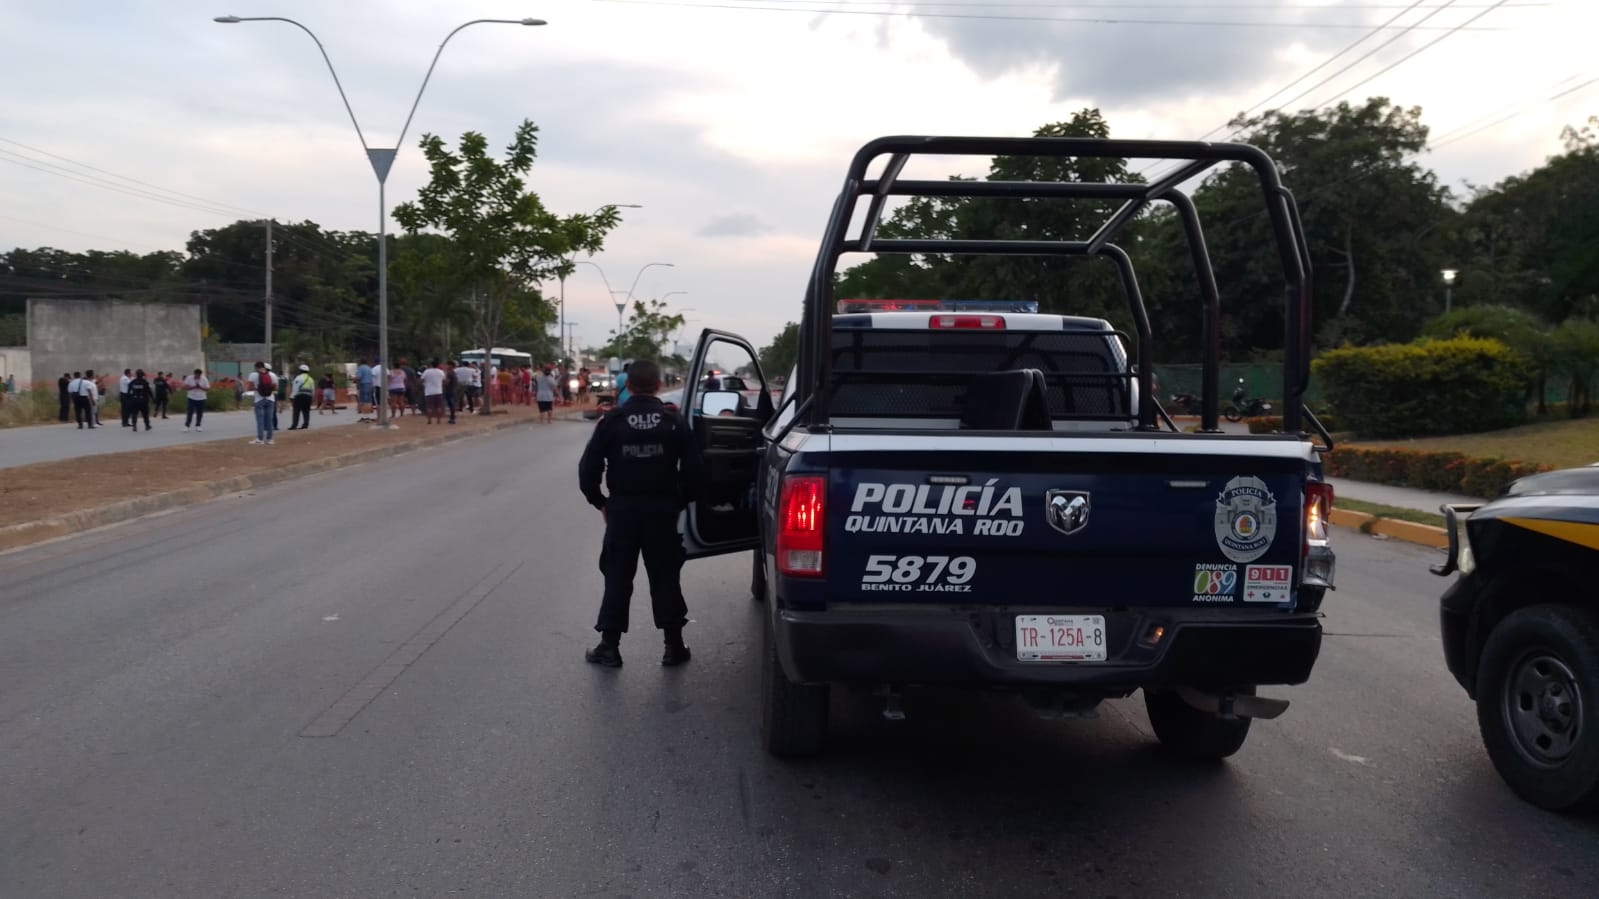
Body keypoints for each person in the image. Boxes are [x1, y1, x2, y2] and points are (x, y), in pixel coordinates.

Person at [578, 359, 703, 668]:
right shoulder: (674, 421)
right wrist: (678, 501)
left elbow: (588, 470)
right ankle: (674, 646)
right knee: (665, 575)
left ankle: (609, 646)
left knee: (617, 575)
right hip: (662, 510)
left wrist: (601, 503)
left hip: (623, 510)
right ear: (659, 385)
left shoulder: (612, 421)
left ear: (628, 386)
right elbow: (696, 472)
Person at [248, 361, 276, 445]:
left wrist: (258, 388)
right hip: (270, 399)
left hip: (259, 399)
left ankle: (260, 439)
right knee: (269, 420)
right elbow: (275, 387)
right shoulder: (272, 375)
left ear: (256, 367)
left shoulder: (253, 375)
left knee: (260, 420)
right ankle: (270, 439)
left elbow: (249, 387)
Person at [289, 363, 315, 430]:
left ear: (300, 371)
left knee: (296, 411)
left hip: (299, 396)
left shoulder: (298, 378)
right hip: (308, 397)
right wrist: (312, 397)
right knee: (306, 411)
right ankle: (305, 425)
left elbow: (295, 388)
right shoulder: (311, 379)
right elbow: (313, 389)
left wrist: (292, 397)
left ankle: (294, 425)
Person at [421, 359, 447, 424]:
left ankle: (429, 420)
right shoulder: (441, 372)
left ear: (431, 365)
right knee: (439, 407)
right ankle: (439, 420)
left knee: (429, 407)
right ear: (438, 365)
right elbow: (444, 381)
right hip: (438, 391)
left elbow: (421, 380)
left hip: (429, 392)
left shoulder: (427, 371)